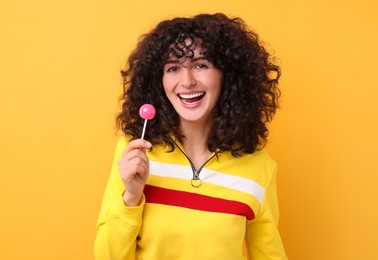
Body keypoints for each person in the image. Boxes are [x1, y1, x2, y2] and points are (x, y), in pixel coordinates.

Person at [94, 13, 287, 260]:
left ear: (226, 75)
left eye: (200, 65)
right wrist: (131, 196)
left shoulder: (260, 167)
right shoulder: (136, 152)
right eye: (173, 68)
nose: (187, 81)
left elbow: (269, 255)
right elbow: (106, 256)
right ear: (159, 80)